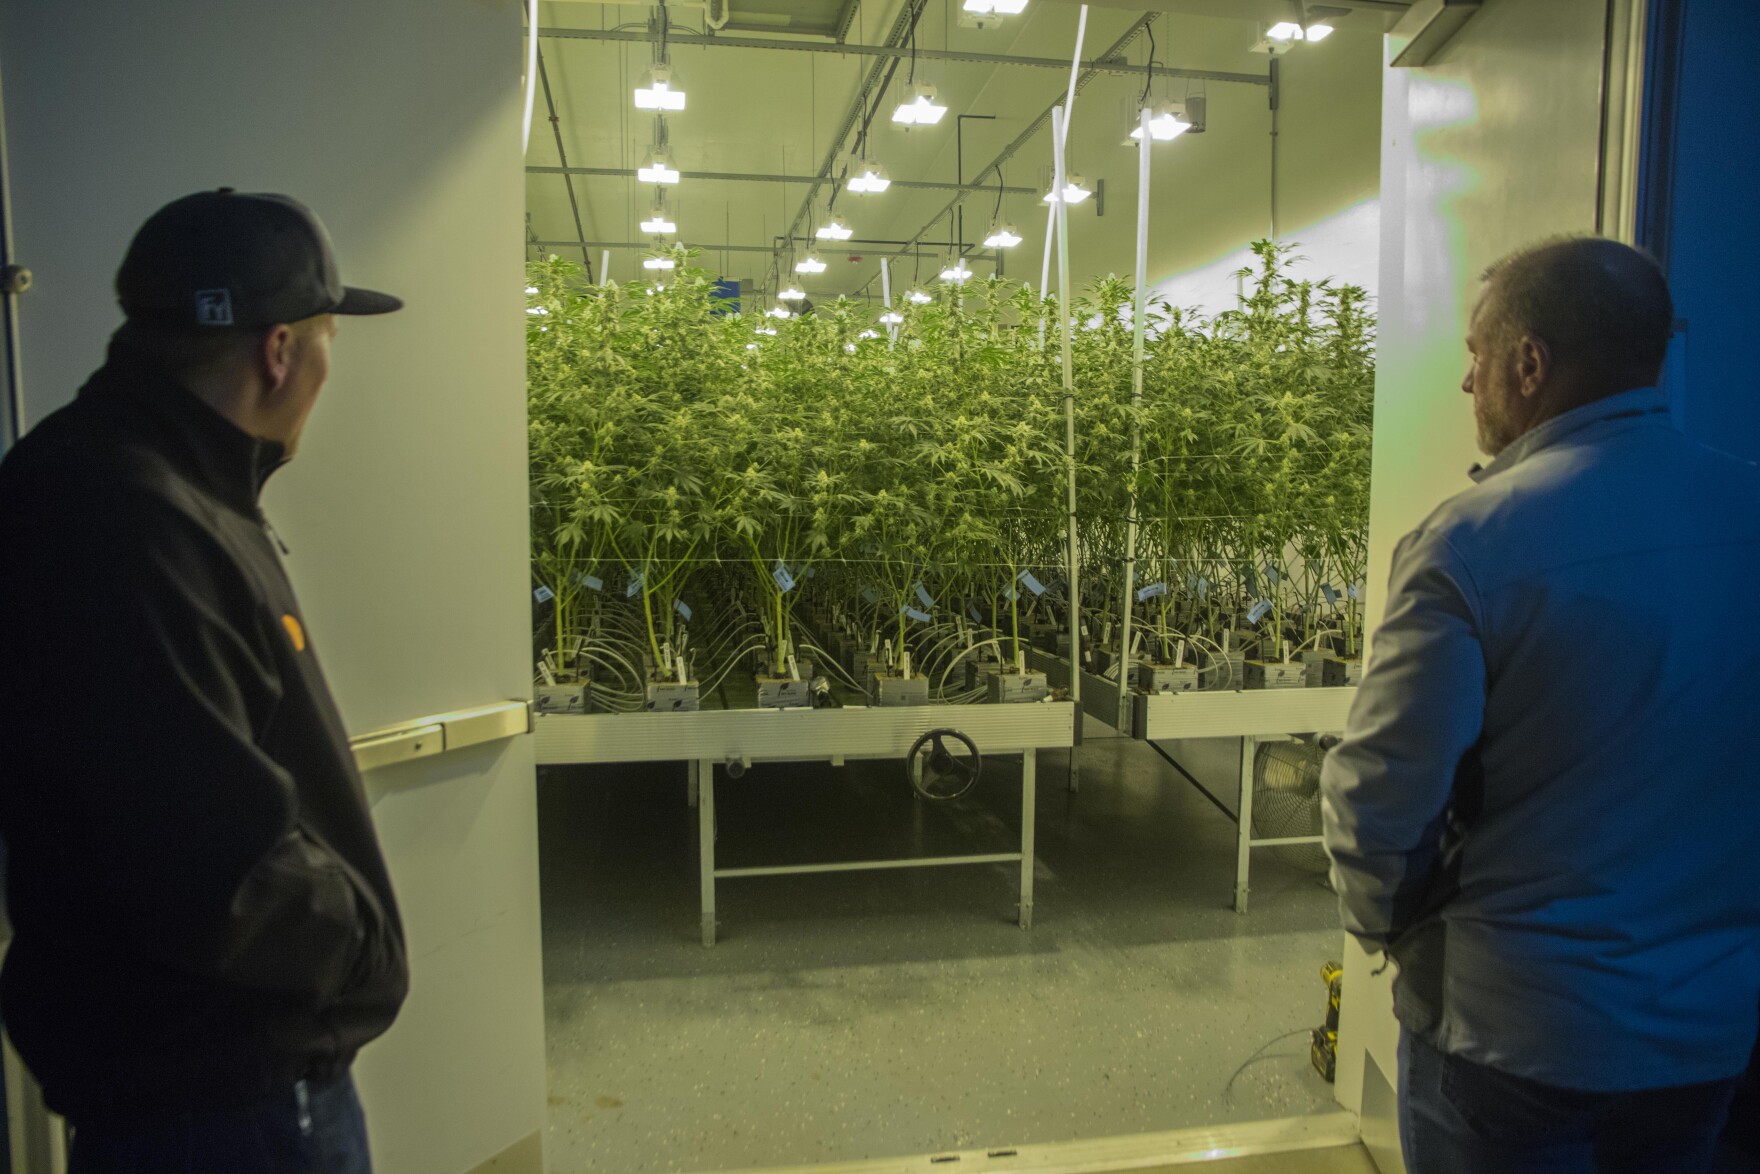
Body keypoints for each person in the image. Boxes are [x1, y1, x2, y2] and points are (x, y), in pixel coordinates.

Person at [1320, 237, 1760, 1173]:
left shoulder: (1473, 541)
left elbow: (1379, 794)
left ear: (1530, 363)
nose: (1465, 384)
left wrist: (1387, 926)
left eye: (1477, 356)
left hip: (1516, 1035)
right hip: (1710, 1027)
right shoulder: (1747, 505)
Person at [0, 190, 410, 1173]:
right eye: (324, 335)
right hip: (226, 1103)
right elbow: (207, 865)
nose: (323, 364)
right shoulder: (131, 521)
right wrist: (359, 939)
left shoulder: (135, 484)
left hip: (199, 1087)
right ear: (278, 351)